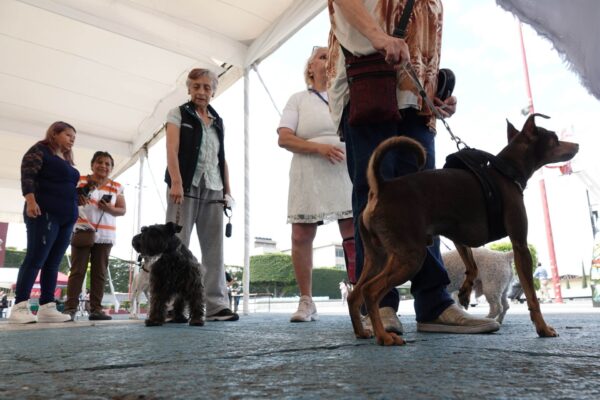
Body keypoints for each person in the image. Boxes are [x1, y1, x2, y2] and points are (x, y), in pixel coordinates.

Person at [327, 0, 499, 333]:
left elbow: (421, 40)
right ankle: (379, 305)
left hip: (417, 101)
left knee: (427, 203)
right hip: (368, 83)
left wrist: (434, 91)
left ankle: (433, 303)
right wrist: (379, 36)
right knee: (375, 197)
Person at [278, 46, 354, 323]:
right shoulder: (298, 99)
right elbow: (284, 138)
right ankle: (306, 300)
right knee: (300, 235)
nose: (328, 59)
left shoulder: (345, 95)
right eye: (322, 56)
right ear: (310, 68)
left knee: (352, 234)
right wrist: (318, 148)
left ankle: (362, 297)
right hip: (307, 171)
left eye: (331, 57)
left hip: (344, 170)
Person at [164, 68, 238, 322]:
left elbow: (222, 159)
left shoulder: (218, 120)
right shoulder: (178, 114)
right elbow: (171, 150)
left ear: (213, 91)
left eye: (207, 87)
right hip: (183, 188)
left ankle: (217, 305)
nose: (201, 91)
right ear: (189, 89)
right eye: (196, 86)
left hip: (214, 189)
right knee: (176, 248)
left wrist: (228, 192)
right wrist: (176, 182)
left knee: (215, 249)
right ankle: (174, 306)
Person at [8, 121, 79, 324]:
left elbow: (67, 186)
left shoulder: (66, 160)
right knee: (35, 258)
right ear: (54, 134)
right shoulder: (40, 150)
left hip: (67, 216)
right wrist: (30, 200)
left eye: (74, 137)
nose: (72, 139)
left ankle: (47, 305)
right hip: (44, 212)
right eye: (68, 135)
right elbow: (28, 174)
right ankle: (20, 306)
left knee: (53, 262)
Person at [63, 151, 126, 321]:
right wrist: (76, 199)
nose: (103, 166)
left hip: (106, 234)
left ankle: (96, 309)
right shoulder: (80, 180)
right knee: (77, 271)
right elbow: (67, 199)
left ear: (112, 168)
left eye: (108, 164)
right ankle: (70, 308)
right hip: (82, 230)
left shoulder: (116, 186)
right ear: (92, 164)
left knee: (100, 273)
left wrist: (110, 209)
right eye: (100, 162)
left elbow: (122, 210)